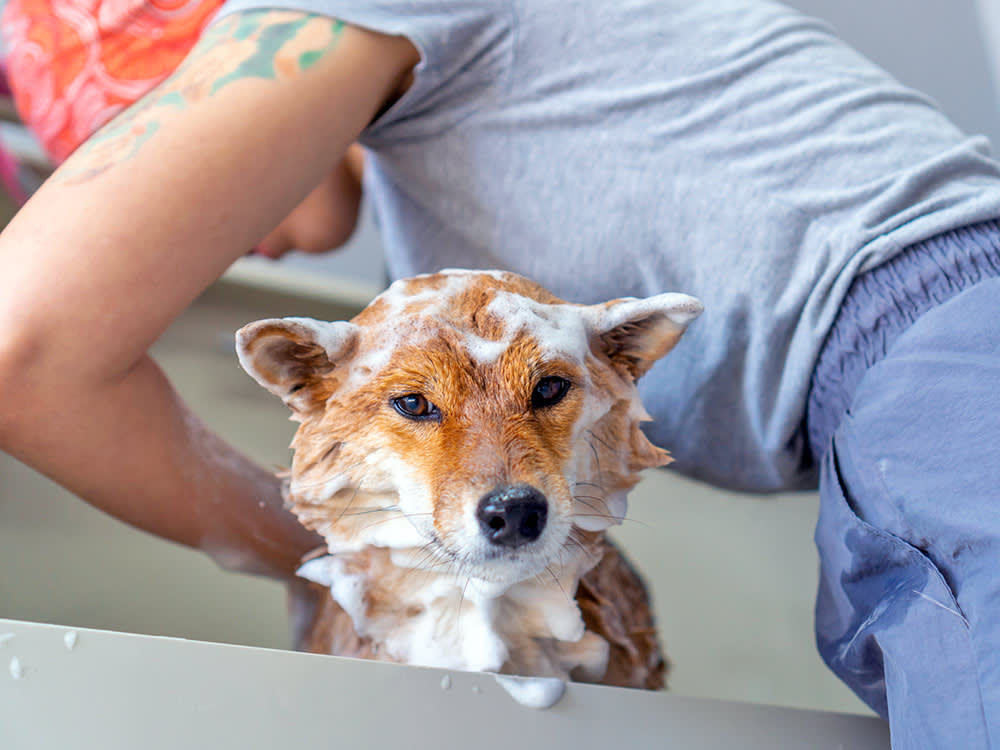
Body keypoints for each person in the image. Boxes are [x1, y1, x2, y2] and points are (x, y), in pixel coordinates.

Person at [0, 1, 998, 745]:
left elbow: (22, 351)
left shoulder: (332, 15)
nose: (183, 222)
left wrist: (348, 561)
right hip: (905, 411)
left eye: (135, 142)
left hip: (948, 358)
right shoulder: (444, 164)